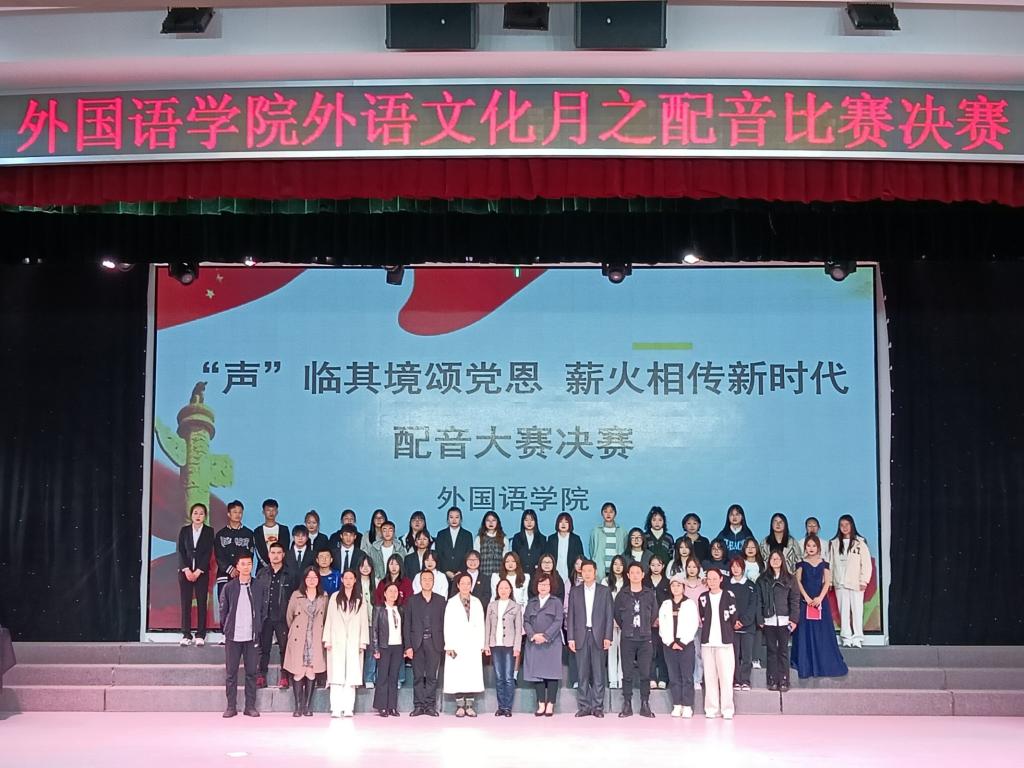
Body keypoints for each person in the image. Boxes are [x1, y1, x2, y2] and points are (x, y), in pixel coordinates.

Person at [791, 535, 849, 681]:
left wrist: (819, 598)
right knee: (804, 632)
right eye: (808, 545)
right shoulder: (800, 564)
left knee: (822, 633)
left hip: (821, 603)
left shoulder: (824, 564)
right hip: (805, 603)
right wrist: (806, 598)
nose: (811, 548)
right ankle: (806, 663)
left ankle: (823, 663)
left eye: (814, 546)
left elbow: (827, 582)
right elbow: (798, 582)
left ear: (818, 547)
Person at [219, 553, 267, 718]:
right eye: (243, 564)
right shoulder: (229, 587)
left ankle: (250, 706)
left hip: (251, 636)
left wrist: (258, 626)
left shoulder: (258, 586)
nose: (246, 567)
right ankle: (231, 706)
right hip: (233, 636)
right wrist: (227, 628)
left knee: (251, 673)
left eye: (249, 564)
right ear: (237, 567)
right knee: (231, 673)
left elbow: (263, 610)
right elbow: (223, 611)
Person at [566, 559, 614, 718]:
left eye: (590, 571)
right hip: (580, 635)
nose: (586, 573)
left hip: (598, 635)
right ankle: (584, 706)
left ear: (595, 572)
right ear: (580, 572)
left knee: (599, 673)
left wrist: (608, 636)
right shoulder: (575, 591)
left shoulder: (604, 591)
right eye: (584, 571)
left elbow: (609, 615)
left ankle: (598, 707)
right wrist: (570, 637)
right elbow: (570, 616)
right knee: (582, 673)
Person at [613, 562, 659, 718]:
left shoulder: (649, 594)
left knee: (645, 672)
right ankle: (627, 704)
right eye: (631, 572)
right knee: (627, 672)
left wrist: (645, 626)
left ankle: (645, 704)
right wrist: (627, 626)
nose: (634, 575)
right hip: (628, 638)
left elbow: (654, 613)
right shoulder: (622, 594)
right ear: (628, 575)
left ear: (643, 575)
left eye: (637, 572)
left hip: (645, 638)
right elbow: (617, 615)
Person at [323, 569, 370, 717]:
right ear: (342, 580)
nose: (348, 581)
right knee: (336, 676)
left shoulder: (360, 599)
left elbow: (364, 621)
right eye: (346, 578)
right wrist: (327, 639)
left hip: (354, 641)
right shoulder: (335, 597)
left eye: (351, 578)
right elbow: (329, 619)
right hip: (337, 640)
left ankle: (349, 707)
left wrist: (363, 642)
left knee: (351, 676)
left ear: (355, 580)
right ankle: (336, 708)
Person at [283, 566, 327, 717]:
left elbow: (325, 618)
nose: (312, 580)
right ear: (304, 579)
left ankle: (307, 706)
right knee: (298, 671)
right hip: (299, 637)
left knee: (311, 671)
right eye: (309, 578)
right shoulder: (297, 595)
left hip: (315, 638)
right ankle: (297, 706)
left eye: (315, 578)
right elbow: (289, 617)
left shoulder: (323, 597)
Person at [755, 550, 800, 691]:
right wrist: (760, 618)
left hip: (785, 620)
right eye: (772, 559)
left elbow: (795, 600)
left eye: (778, 559)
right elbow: (758, 601)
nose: (775, 561)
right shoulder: (762, 579)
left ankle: (784, 680)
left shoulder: (790, 579)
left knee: (783, 651)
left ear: (782, 561)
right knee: (771, 651)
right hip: (768, 620)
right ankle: (772, 680)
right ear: (769, 561)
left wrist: (793, 619)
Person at [444, 572, 486, 717]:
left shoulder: (477, 602)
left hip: (473, 644)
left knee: (471, 674)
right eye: (463, 583)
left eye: (468, 583)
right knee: (458, 674)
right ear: (458, 585)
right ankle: (460, 706)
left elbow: (481, 624)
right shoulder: (451, 602)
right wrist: (449, 645)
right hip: (456, 644)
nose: (465, 586)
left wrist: (481, 644)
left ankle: (469, 705)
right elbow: (447, 625)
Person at [404, 569, 446, 716]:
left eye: (430, 579)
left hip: (435, 642)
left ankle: (430, 706)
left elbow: (444, 624)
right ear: (420, 582)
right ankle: (418, 705)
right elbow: (407, 624)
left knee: (432, 676)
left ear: (434, 582)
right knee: (417, 676)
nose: (427, 582)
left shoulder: (441, 600)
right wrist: (408, 646)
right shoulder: (412, 600)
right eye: (424, 579)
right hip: (417, 643)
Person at [697, 567, 737, 719]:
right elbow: (702, 616)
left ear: (721, 579)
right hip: (707, 642)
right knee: (710, 677)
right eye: (709, 579)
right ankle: (711, 709)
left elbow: (733, 616)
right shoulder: (702, 597)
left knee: (726, 678)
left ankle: (727, 709)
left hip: (724, 643)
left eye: (715, 578)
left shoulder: (729, 595)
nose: (712, 581)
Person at [254, 541, 294, 690]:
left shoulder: (290, 574)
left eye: (278, 553)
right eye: (273, 553)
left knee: (284, 648)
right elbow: (257, 595)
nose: (275, 556)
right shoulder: (262, 573)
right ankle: (261, 675)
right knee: (263, 648)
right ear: (269, 555)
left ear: (283, 555)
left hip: (282, 617)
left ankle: (284, 676)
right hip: (265, 616)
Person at [522, 573, 563, 717]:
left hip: (551, 643)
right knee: (537, 675)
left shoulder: (556, 602)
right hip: (534, 642)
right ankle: (541, 704)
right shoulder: (531, 602)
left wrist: (546, 636)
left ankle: (550, 704)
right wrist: (533, 635)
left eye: (546, 584)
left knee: (552, 674)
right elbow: (526, 621)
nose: (543, 587)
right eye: (540, 584)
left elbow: (558, 621)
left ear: (551, 586)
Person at [828, 515, 872, 648]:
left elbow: (866, 563)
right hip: (840, 582)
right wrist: (830, 581)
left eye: (847, 524)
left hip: (855, 582)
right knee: (844, 611)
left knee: (857, 610)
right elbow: (831, 563)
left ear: (852, 525)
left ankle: (857, 637)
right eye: (842, 525)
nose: (845, 527)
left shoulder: (860, 542)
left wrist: (864, 580)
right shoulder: (834, 543)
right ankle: (846, 637)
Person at [659, 574, 699, 718]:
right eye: (673, 585)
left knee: (687, 676)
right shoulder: (665, 604)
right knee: (674, 676)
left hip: (686, 645)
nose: (675, 588)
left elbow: (693, 624)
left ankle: (687, 705)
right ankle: (677, 704)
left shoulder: (689, 604)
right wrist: (670, 642)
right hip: (669, 645)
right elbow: (662, 625)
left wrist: (682, 642)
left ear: (683, 587)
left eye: (678, 585)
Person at [177, 502, 214, 646]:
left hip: (201, 573)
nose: (198, 516)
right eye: (195, 513)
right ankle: (186, 634)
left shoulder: (209, 531)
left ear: (205, 516)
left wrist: (198, 571)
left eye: (201, 513)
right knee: (185, 603)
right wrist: (186, 569)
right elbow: (180, 550)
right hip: (185, 572)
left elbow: (208, 553)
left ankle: (200, 634)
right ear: (191, 515)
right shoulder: (184, 530)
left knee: (201, 603)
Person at [485, 578, 523, 716]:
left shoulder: (516, 606)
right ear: (497, 590)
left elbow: (518, 629)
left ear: (510, 590)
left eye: (506, 588)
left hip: (509, 645)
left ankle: (507, 707)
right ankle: (501, 706)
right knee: (499, 677)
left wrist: (517, 647)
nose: (503, 590)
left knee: (508, 677)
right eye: (501, 588)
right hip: (495, 645)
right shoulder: (491, 605)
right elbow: (487, 626)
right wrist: (486, 644)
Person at [371, 582, 407, 717]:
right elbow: (374, 630)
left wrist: (405, 647)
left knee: (394, 677)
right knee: (382, 677)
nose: (393, 594)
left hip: (398, 647)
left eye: (395, 591)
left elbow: (404, 629)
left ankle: (392, 707)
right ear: (385, 593)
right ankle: (382, 707)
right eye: (390, 591)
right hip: (384, 647)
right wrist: (375, 649)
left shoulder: (400, 609)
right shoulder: (379, 609)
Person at [214, 499, 255, 602]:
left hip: (243, 575)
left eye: (240, 512)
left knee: (243, 604)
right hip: (224, 575)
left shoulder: (248, 533)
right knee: (224, 605)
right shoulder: (221, 534)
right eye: (235, 512)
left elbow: (250, 554)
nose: (238, 515)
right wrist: (230, 569)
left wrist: (241, 569)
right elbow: (218, 555)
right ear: (229, 514)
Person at [727, 556, 757, 691]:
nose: (735, 569)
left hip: (748, 627)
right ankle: (736, 680)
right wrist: (733, 621)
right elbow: (725, 605)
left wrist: (743, 621)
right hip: (731, 627)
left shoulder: (751, 585)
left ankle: (745, 680)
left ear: (743, 568)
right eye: (733, 567)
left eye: (738, 566)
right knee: (733, 656)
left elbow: (753, 606)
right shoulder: (726, 585)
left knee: (746, 656)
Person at [682, 556, 708, 688]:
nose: (691, 569)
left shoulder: (704, 585)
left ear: (699, 569)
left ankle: (697, 679)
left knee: (698, 652)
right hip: (685, 625)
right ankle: (686, 678)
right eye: (689, 567)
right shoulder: (681, 584)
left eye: (694, 567)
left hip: (700, 624)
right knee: (686, 653)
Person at [601, 554, 626, 689]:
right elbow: (604, 603)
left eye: (620, 564)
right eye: (615, 564)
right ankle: (612, 680)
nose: (618, 567)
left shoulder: (627, 581)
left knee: (623, 650)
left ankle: (621, 678)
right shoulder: (605, 581)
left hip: (624, 620)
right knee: (611, 650)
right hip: (609, 619)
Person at [645, 554, 670, 689]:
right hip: (648, 622)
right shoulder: (645, 582)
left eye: (658, 565)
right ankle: (651, 677)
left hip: (664, 622)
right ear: (649, 566)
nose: (656, 568)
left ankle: (663, 678)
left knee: (663, 651)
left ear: (663, 566)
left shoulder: (668, 583)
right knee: (650, 651)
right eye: (653, 565)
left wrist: (662, 618)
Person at [545, 512, 584, 590]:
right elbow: (547, 557)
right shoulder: (551, 538)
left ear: (570, 524)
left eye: (566, 522)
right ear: (557, 524)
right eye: (561, 522)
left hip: (571, 573)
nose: (563, 524)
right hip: (554, 573)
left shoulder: (576, 539)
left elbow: (580, 558)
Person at [435, 506, 473, 581]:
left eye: (457, 517)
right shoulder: (441, 534)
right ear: (447, 520)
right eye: (451, 517)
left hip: (462, 574)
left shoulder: (467, 535)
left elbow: (468, 555)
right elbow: (438, 554)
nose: (454, 520)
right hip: (444, 574)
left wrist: (460, 571)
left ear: (461, 519)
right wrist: (446, 571)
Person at [588, 502, 627, 574]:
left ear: (615, 514)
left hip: (617, 570)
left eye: (611, 512)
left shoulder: (622, 531)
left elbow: (625, 549)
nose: (608, 514)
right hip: (600, 568)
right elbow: (592, 550)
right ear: (602, 514)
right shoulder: (596, 531)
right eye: (605, 512)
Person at [357, 557, 377, 688]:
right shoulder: (354, 581)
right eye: (362, 565)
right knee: (357, 650)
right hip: (356, 623)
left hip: (372, 621)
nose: (365, 568)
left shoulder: (376, 582)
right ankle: (357, 677)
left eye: (368, 566)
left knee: (371, 650)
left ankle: (369, 677)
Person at [253, 498, 289, 571]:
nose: (271, 513)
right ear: (263, 512)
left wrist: (277, 564)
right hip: (262, 569)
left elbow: (285, 549)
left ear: (277, 512)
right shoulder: (257, 531)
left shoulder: (284, 530)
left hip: (281, 569)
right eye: (268, 510)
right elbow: (259, 552)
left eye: (273, 510)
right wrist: (268, 566)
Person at [474, 511, 510, 583]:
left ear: (497, 522)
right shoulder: (479, 538)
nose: (491, 523)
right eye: (488, 520)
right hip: (482, 575)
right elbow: (476, 558)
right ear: (484, 522)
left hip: (498, 575)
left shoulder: (504, 539)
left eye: (493, 520)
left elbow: (505, 559)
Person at [511, 509, 545, 576]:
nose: (529, 523)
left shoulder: (542, 538)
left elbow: (543, 557)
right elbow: (515, 556)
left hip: (537, 574)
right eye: (526, 520)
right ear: (522, 522)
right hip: (520, 573)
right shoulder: (517, 537)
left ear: (535, 522)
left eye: (532, 520)